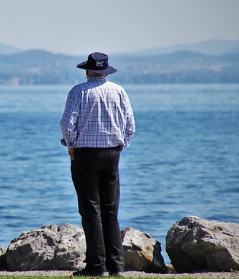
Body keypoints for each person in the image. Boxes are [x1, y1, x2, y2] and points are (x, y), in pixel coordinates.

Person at [60, 52, 135, 276]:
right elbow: (130, 125)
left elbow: (67, 123)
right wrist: (120, 146)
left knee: (90, 210)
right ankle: (117, 266)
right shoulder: (119, 91)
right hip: (112, 155)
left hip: (85, 155)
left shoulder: (78, 91)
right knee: (111, 211)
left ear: (87, 71)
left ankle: (96, 266)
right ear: (106, 71)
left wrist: (71, 147)